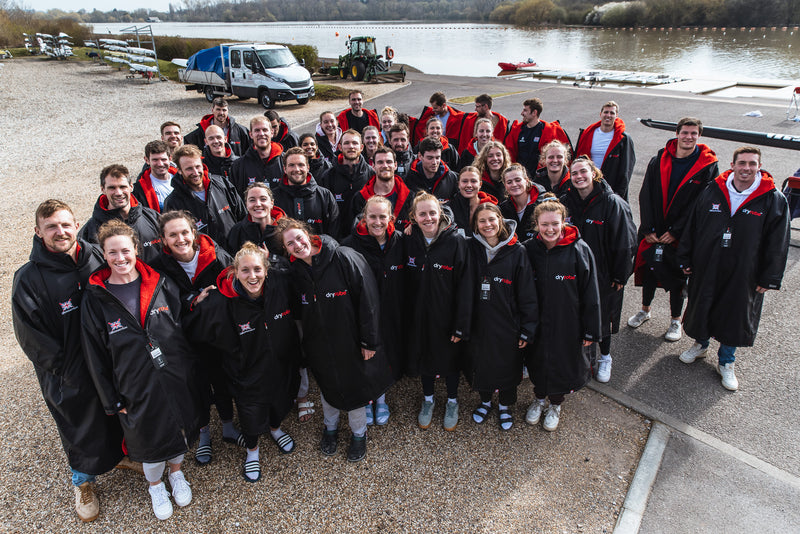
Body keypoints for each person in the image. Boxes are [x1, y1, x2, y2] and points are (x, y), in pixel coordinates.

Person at [12, 200, 126, 523]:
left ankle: (118, 457)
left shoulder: (97, 257)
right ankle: (82, 481)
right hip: (68, 372)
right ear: (38, 232)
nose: (60, 232)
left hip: (108, 361)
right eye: (51, 227)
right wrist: (67, 370)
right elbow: (32, 338)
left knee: (113, 415)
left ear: (76, 224)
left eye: (65, 224)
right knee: (77, 424)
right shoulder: (28, 279)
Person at [81, 220, 201, 521]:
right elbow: (95, 356)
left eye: (125, 250)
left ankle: (176, 473)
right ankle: (155, 485)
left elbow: (179, 328)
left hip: (172, 377)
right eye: (112, 253)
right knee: (148, 442)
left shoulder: (160, 283)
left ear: (136, 249)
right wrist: (112, 401)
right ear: (104, 255)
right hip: (133, 386)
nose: (120, 258)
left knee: (178, 433)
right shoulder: (96, 298)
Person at [278, 218, 393, 462]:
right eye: (290, 244)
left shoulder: (342, 257)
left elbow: (368, 300)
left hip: (350, 341)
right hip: (319, 344)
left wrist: (369, 342)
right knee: (327, 388)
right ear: (285, 249)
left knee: (355, 389)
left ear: (308, 234)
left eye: (299, 238)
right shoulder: (295, 272)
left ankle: (358, 434)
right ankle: (330, 428)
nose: (298, 245)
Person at [676, 147, 790, 391]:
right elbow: (692, 226)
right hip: (708, 264)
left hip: (744, 271)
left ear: (759, 166)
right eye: (742, 163)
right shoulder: (712, 190)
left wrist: (769, 277)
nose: (746, 168)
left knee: (734, 314)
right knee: (703, 304)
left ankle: (726, 361)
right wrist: (685, 257)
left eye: (752, 164)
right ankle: (701, 344)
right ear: (733, 164)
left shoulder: (772, 198)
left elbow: (778, 242)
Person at [186, 243, 301, 481]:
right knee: (250, 414)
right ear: (234, 272)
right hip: (245, 373)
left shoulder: (278, 285)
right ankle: (252, 451)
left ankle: (275, 428)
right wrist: (192, 303)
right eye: (245, 270)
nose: (252, 276)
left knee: (280, 401)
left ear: (266, 270)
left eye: (257, 269)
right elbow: (195, 330)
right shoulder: (221, 301)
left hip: (279, 365)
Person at [148, 211, 238, 466]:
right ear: (163, 240)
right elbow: (158, 302)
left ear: (194, 233)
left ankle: (228, 424)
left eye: (184, 232)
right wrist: (191, 300)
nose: (180, 239)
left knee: (221, 379)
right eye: (172, 235)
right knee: (194, 386)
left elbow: (235, 287)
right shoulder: (158, 266)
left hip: (216, 334)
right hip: (183, 337)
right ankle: (203, 433)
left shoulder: (216, 256)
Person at [629, 118, 719, 343]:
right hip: (655, 229)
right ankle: (645, 310)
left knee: (678, 276)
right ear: (677, 133)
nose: (689, 137)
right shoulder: (659, 159)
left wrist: (678, 232)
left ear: (699, 136)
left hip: (684, 233)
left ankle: (675, 320)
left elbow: (702, 202)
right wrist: (648, 227)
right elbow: (646, 194)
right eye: (685, 132)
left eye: (693, 133)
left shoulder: (707, 165)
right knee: (649, 269)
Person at [523, 195, 601, 431]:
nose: (550, 229)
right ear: (536, 224)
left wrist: (591, 328)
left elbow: (591, 292)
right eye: (544, 224)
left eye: (555, 224)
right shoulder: (528, 250)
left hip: (568, 322)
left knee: (562, 364)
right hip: (536, 322)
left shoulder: (579, 249)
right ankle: (538, 399)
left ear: (564, 222)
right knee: (537, 361)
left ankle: (556, 404)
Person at [561, 157, 636, 383]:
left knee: (603, 317)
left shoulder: (612, 203)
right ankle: (577, 357)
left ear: (594, 173)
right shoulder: (566, 201)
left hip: (604, 275)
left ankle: (605, 357)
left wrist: (620, 275)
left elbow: (627, 243)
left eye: (583, 172)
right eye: (574, 174)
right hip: (574, 273)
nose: (579, 177)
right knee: (576, 315)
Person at [466, 203, 537, 431]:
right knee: (482, 363)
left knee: (508, 365)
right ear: (476, 225)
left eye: (491, 219)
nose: (488, 225)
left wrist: (527, 327)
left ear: (500, 220)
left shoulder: (517, 251)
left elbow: (527, 293)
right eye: (482, 221)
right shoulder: (471, 248)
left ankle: (506, 405)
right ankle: (485, 401)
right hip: (480, 321)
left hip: (509, 323)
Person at [405, 192, 471, 431]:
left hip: (448, 316)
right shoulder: (409, 240)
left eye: (432, 212)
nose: (428, 218)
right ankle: (428, 399)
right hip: (420, 315)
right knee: (425, 358)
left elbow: (465, 286)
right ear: (414, 217)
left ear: (441, 214)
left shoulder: (456, 241)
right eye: (422, 214)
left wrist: (461, 324)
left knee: (450, 359)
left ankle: (452, 401)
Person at [342, 196, 407, 425]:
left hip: (393, 308)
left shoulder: (400, 240)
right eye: (372, 216)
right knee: (366, 355)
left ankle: (382, 399)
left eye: (382, 216)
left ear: (391, 218)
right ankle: (368, 398)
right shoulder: (350, 244)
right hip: (364, 311)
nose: (377, 221)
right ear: (364, 217)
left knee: (387, 353)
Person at [164, 145, 246, 252]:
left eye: (198, 166)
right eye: (189, 169)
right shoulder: (173, 202)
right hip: (206, 261)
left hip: (237, 253)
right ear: (179, 170)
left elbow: (243, 217)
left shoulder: (222, 184)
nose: (195, 172)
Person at [80, 164, 162, 264]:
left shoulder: (153, 218)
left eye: (122, 187)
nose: (118, 192)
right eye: (112, 188)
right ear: (103, 189)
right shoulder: (91, 230)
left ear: (131, 186)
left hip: (155, 278)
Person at [574, 101, 636, 200]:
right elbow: (576, 159)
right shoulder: (587, 133)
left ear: (616, 116)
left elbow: (626, 170)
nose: (608, 115)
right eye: (606, 112)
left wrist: (618, 195)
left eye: (612, 113)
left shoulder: (623, 139)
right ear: (600, 114)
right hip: (588, 184)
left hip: (609, 188)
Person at [273, 147, 340, 237]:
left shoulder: (325, 196)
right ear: (284, 169)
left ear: (308, 167)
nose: (297, 169)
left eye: (301, 165)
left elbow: (334, 232)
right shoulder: (274, 198)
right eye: (291, 165)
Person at [318, 129, 372, 238]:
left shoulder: (371, 174)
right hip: (338, 237)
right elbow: (324, 212)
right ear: (340, 147)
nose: (351, 146)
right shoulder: (328, 176)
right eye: (346, 143)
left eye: (355, 143)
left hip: (366, 236)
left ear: (361, 147)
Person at [504, 98, 571, 178]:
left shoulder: (547, 131)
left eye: (525, 110)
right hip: (519, 177)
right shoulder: (517, 131)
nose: (522, 113)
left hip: (539, 178)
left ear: (534, 113)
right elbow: (509, 153)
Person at [350, 146, 413, 229]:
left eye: (389, 162)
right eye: (380, 162)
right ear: (373, 166)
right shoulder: (360, 198)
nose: (385, 165)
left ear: (395, 165)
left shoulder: (410, 197)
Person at [228, 182, 287, 260]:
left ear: (272, 203)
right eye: (252, 200)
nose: (258, 204)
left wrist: (270, 258)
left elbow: (294, 264)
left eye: (263, 199)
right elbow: (232, 263)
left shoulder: (286, 229)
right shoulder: (237, 231)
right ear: (246, 205)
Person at [228, 116, 284, 195]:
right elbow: (235, 199)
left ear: (272, 132)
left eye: (265, 130)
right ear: (251, 134)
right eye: (257, 130)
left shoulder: (286, 162)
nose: (261, 134)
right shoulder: (238, 166)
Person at [184, 97, 251, 156]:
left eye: (224, 110)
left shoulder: (241, 131)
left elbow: (250, 152)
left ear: (228, 111)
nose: (221, 113)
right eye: (218, 109)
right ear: (212, 110)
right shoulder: (198, 135)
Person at [499, 164, 546, 241]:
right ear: (505, 185)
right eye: (509, 182)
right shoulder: (503, 209)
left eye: (518, 180)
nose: (514, 184)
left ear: (526, 181)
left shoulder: (542, 204)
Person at [405, 137, 459, 202]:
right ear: (420, 156)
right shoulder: (409, 179)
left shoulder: (452, 179)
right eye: (430, 158)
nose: (434, 162)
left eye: (437, 158)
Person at [449, 166, 498, 236]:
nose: (469, 185)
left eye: (473, 181)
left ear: (480, 184)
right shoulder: (450, 207)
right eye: (465, 181)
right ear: (458, 184)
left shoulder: (493, 208)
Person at [134, 140, 177, 213]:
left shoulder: (183, 179)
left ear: (170, 158)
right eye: (155, 160)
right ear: (147, 160)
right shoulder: (139, 190)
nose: (160, 164)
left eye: (163, 159)